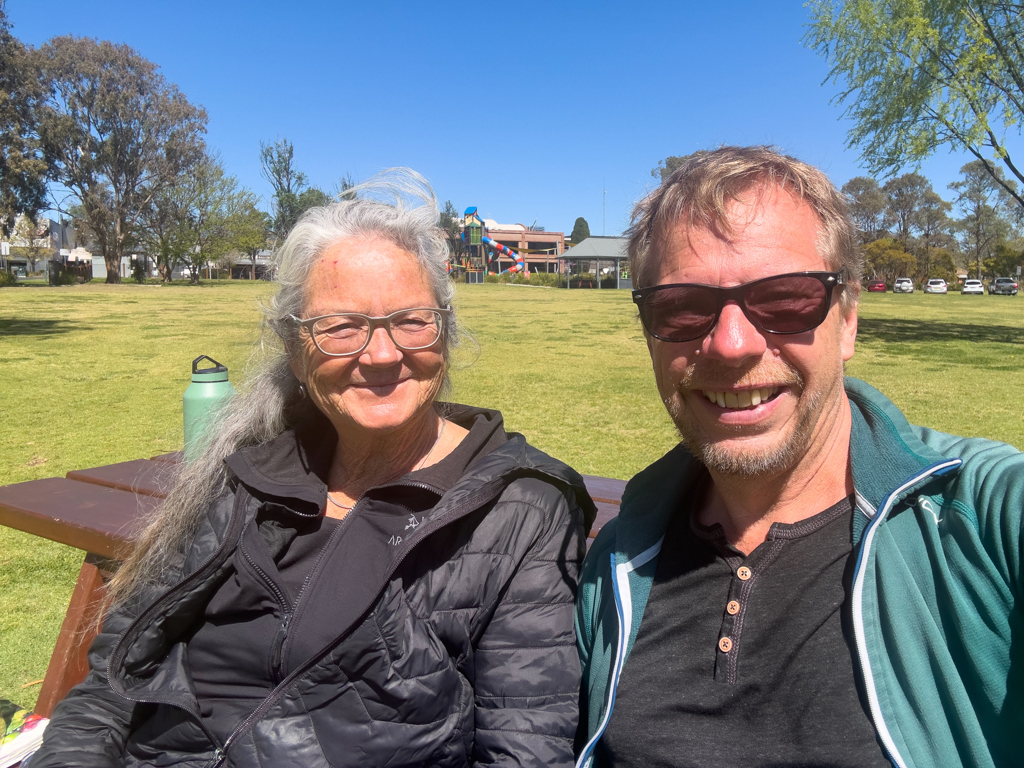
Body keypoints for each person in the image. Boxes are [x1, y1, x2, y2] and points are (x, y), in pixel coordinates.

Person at [32, 171, 595, 768]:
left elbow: (525, 750)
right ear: (296, 350)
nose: (382, 355)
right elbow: (114, 682)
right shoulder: (249, 469)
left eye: (412, 319)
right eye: (342, 327)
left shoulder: (520, 510)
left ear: (445, 332)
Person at [575, 147, 1024, 768]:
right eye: (681, 305)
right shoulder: (616, 565)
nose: (732, 346)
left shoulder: (983, 522)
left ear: (848, 320)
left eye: (786, 298)